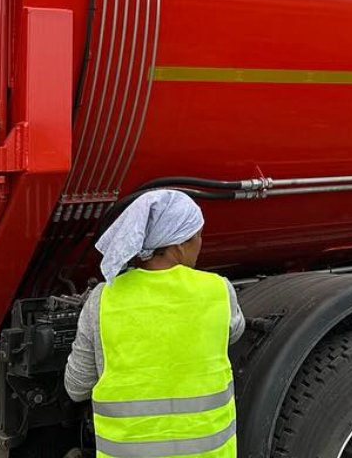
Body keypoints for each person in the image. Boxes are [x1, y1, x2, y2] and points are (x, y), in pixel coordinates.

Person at [64, 189, 243, 458]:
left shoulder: (103, 299)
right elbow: (234, 333)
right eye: (197, 235)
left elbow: (76, 388)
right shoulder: (218, 289)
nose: (200, 243)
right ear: (178, 245)